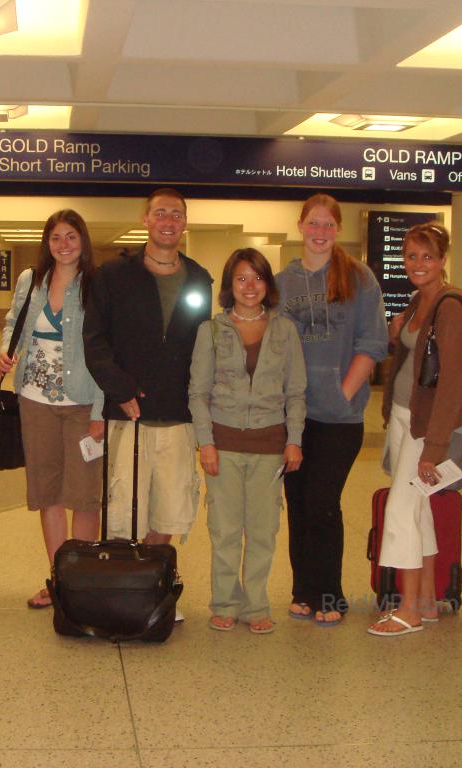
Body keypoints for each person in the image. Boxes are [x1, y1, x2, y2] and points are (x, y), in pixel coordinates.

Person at [84, 188, 213, 620]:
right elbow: (95, 340)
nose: (169, 221)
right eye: (161, 213)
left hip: (177, 413)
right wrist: (118, 389)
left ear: (184, 223)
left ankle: (154, 589)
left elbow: (204, 348)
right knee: (124, 511)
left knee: (170, 509)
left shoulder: (199, 279)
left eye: (177, 214)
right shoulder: (113, 276)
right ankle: (122, 592)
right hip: (128, 413)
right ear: (145, 219)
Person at [276, 193, 388, 626]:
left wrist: (343, 392)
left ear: (337, 230)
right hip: (293, 418)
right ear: (300, 225)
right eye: (313, 224)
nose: (320, 232)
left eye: (328, 225)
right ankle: (302, 591)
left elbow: (372, 342)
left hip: (339, 418)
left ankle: (330, 593)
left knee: (323, 502)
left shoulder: (359, 278)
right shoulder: (284, 281)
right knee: (299, 503)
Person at [189, 248, 306, 635]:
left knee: (262, 531)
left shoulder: (284, 330)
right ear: (229, 286)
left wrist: (294, 440)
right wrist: (205, 442)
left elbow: (296, 392)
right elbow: (198, 393)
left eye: (257, 278)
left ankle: (256, 605)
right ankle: (224, 603)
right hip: (222, 444)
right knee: (224, 531)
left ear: (267, 284)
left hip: (269, 446)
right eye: (241, 278)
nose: (249, 286)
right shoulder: (211, 331)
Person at [0, 210, 104, 609]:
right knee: (48, 493)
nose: (63, 245)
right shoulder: (31, 280)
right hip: (34, 400)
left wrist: (100, 409)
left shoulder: (95, 284)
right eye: (56, 237)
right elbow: (14, 322)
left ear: (83, 241)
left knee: (84, 495)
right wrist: (8, 353)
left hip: (82, 402)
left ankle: (83, 582)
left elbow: (106, 347)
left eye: (71, 236)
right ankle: (59, 580)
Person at [370, 222, 462, 636]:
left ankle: (408, 609)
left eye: (427, 256)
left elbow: (453, 383)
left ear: (443, 260)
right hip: (402, 417)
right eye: (410, 256)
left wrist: (434, 447)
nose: (417, 264)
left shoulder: (450, 307)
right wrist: (399, 334)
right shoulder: (418, 302)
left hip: (425, 428)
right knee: (418, 509)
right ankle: (428, 601)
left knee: (399, 509)